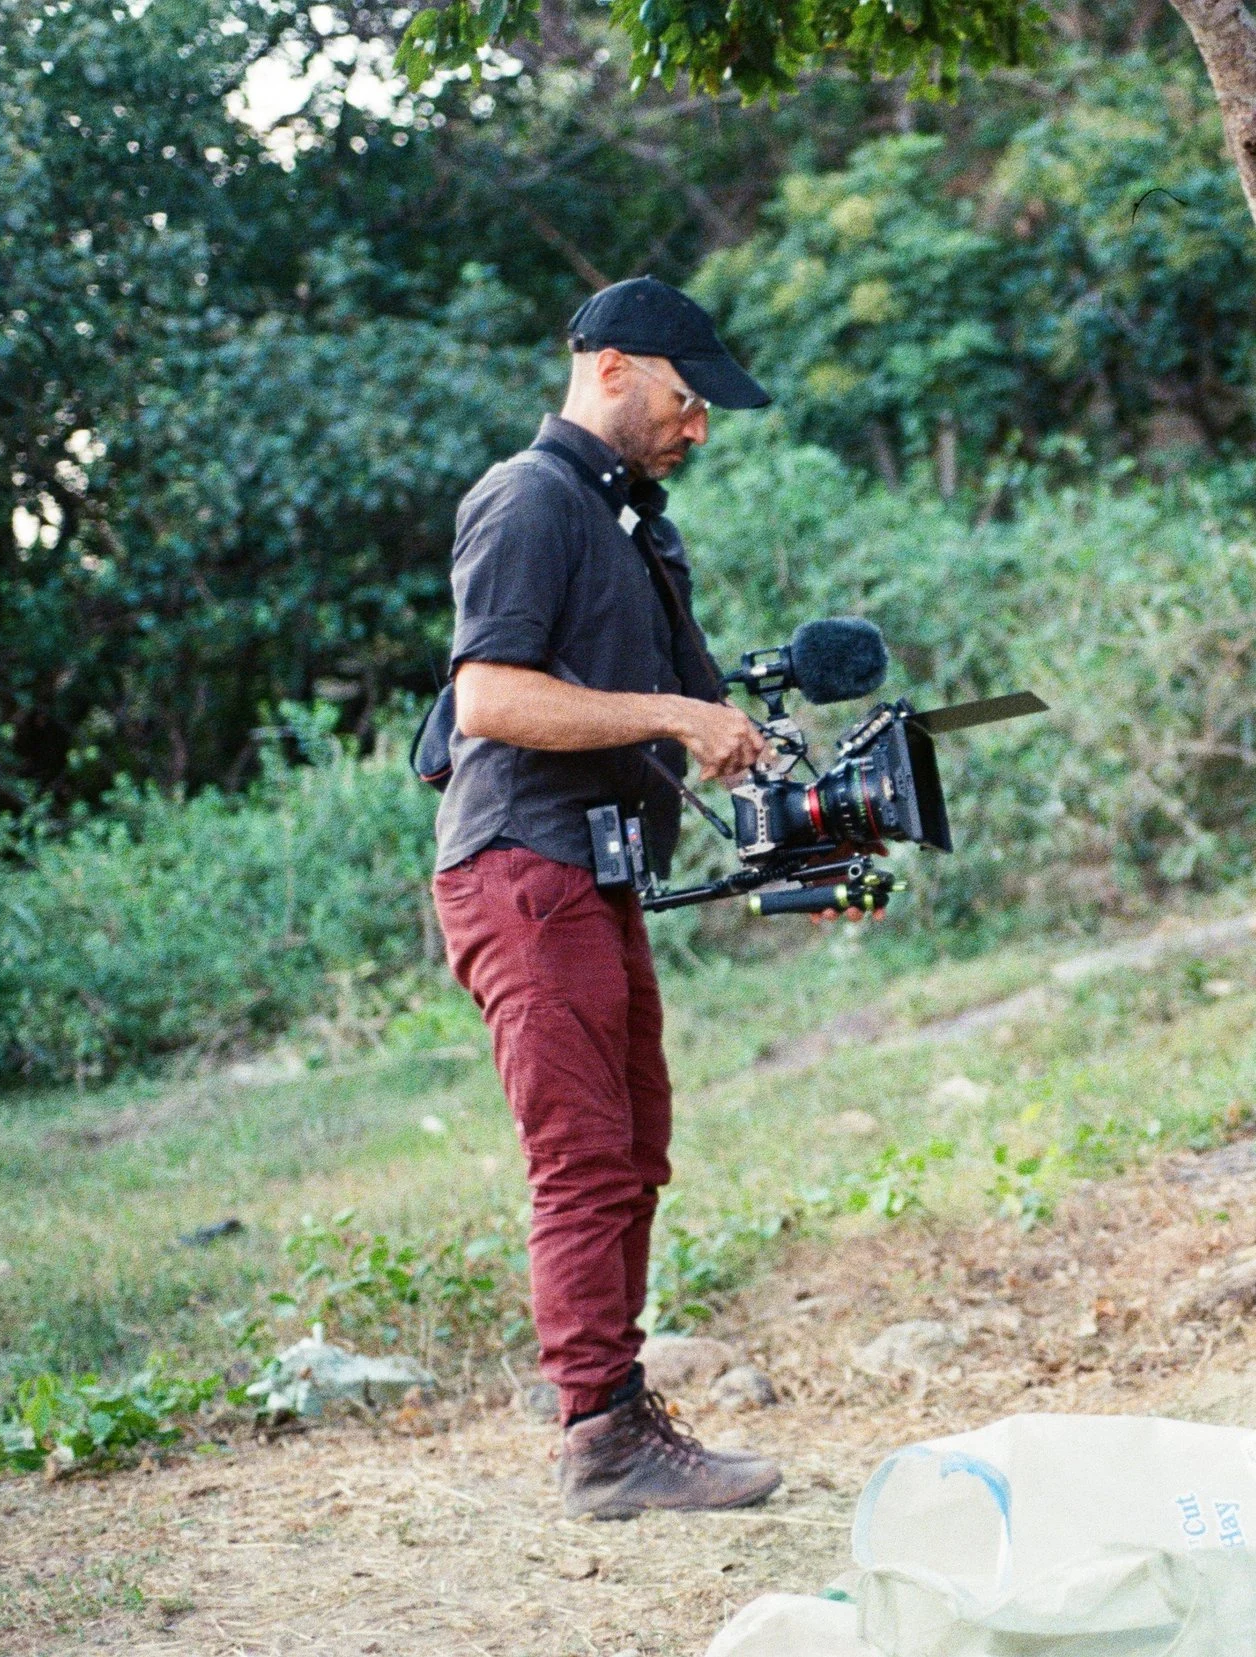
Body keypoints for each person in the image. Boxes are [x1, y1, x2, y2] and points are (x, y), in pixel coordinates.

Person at [431, 276, 785, 1520]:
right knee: (585, 1160)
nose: (699, 428)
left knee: (633, 1153)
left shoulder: (626, 519)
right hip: (524, 867)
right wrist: (673, 715)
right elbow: (488, 698)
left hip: (590, 871)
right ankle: (599, 1440)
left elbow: (691, 718)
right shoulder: (529, 499)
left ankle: (622, 1416)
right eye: (688, 402)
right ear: (616, 368)